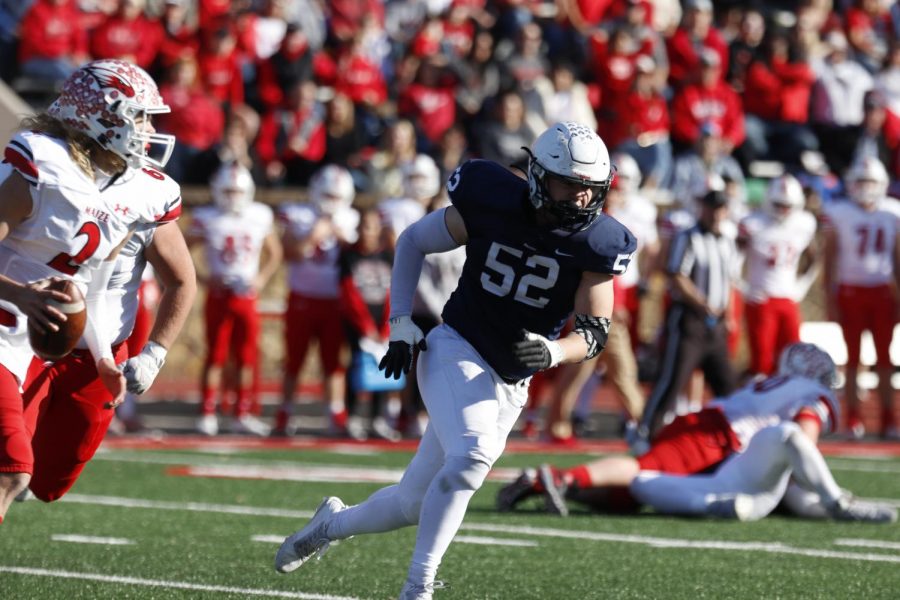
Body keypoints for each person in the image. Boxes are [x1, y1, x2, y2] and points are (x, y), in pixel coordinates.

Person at [273, 121, 636, 598]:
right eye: (570, 186)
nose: (581, 200)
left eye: (590, 189)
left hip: (511, 379)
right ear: (538, 176)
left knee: (410, 504)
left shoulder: (599, 242)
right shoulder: (493, 200)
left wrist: (553, 351)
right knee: (471, 458)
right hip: (457, 346)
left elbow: (593, 332)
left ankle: (329, 526)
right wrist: (401, 322)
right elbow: (412, 242)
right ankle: (417, 588)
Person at [0, 58, 177, 522]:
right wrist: (20, 295)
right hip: (5, 335)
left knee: (43, 482)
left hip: (42, 341)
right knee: (11, 471)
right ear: (98, 115)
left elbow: (91, 288)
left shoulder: (129, 190)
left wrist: (103, 359)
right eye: (137, 116)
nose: (145, 129)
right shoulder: (43, 165)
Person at [498, 343, 896, 523]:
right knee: (641, 470)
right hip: (715, 436)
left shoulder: (772, 383)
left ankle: (543, 484)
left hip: (708, 428)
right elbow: (801, 436)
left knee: (630, 497)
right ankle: (561, 477)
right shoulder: (816, 394)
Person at [24, 202, 195, 502]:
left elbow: (180, 280)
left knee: (49, 484)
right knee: (10, 463)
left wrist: (154, 354)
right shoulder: (44, 168)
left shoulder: (149, 196)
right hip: (23, 342)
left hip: (95, 359)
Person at [637, 189, 739, 446]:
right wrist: (703, 304)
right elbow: (676, 274)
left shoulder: (726, 241)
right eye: (712, 208)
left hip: (714, 328)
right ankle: (646, 433)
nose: (716, 214)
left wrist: (727, 313)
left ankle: (737, 436)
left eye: (721, 208)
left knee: (727, 385)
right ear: (702, 209)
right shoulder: (688, 237)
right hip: (688, 321)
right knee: (672, 379)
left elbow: (729, 281)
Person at [188, 163, 282, 437]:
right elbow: (181, 252)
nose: (232, 196)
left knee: (245, 355)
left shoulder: (259, 215)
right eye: (227, 190)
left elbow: (274, 253)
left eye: (237, 190)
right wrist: (205, 278)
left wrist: (262, 278)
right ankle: (207, 412)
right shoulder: (207, 216)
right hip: (219, 294)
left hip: (246, 294)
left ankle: (241, 412)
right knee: (215, 354)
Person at [273, 164, 359, 437]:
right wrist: (313, 236)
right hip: (302, 298)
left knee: (333, 362)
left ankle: (335, 414)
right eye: (328, 195)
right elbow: (288, 253)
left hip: (334, 301)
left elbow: (359, 259)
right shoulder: (300, 215)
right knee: (294, 361)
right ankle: (284, 413)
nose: (332, 202)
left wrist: (345, 240)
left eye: (337, 197)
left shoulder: (351, 219)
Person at [822, 156, 899, 439]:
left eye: (871, 181)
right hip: (850, 290)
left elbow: (898, 258)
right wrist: (829, 295)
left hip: (882, 291)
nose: (866, 187)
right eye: (861, 181)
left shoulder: (892, 212)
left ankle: (889, 419)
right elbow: (829, 258)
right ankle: (854, 417)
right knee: (852, 359)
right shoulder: (839, 211)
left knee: (885, 359)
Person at [738, 174, 819, 377]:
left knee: (793, 360)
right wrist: (743, 287)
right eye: (778, 204)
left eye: (787, 204)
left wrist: (802, 285)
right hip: (761, 299)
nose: (783, 209)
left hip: (788, 298)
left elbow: (815, 258)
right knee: (762, 364)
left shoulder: (804, 223)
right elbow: (733, 261)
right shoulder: (752, 223)